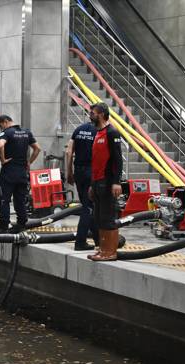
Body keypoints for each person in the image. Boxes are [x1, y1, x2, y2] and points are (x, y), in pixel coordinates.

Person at [87, 103, 123, 261]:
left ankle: (110, 252)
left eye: (92, 113)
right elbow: (96, 161)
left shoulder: (112, 132)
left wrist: (116, 182)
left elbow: (118, 159)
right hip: (97, 181)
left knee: (108, 217)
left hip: (108, 181)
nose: (90, 115)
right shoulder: (97, 132)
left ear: (101, 114)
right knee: (98, 217)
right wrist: (92, 184)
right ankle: (102, 249)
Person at [0, 115, 40, 233]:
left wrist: (3, 160)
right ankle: (21, 223)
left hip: (9, 171)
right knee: (20, 199)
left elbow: (0, 145)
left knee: (4, 198)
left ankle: (4, 224)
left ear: (5, 122)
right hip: (22, 172)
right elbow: (37, 149)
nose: (1, 129)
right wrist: (29, 162)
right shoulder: (26, 132)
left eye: (0, 126)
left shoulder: (7, 133)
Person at [65, 109, 99, 251]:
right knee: (89, 207)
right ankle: (80, 242)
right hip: (91, 171)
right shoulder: (99, 132)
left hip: (78, 170)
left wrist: (69, 172)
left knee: (88, 204)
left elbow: (68, 151)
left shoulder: (79, 130)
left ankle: (98, 240)